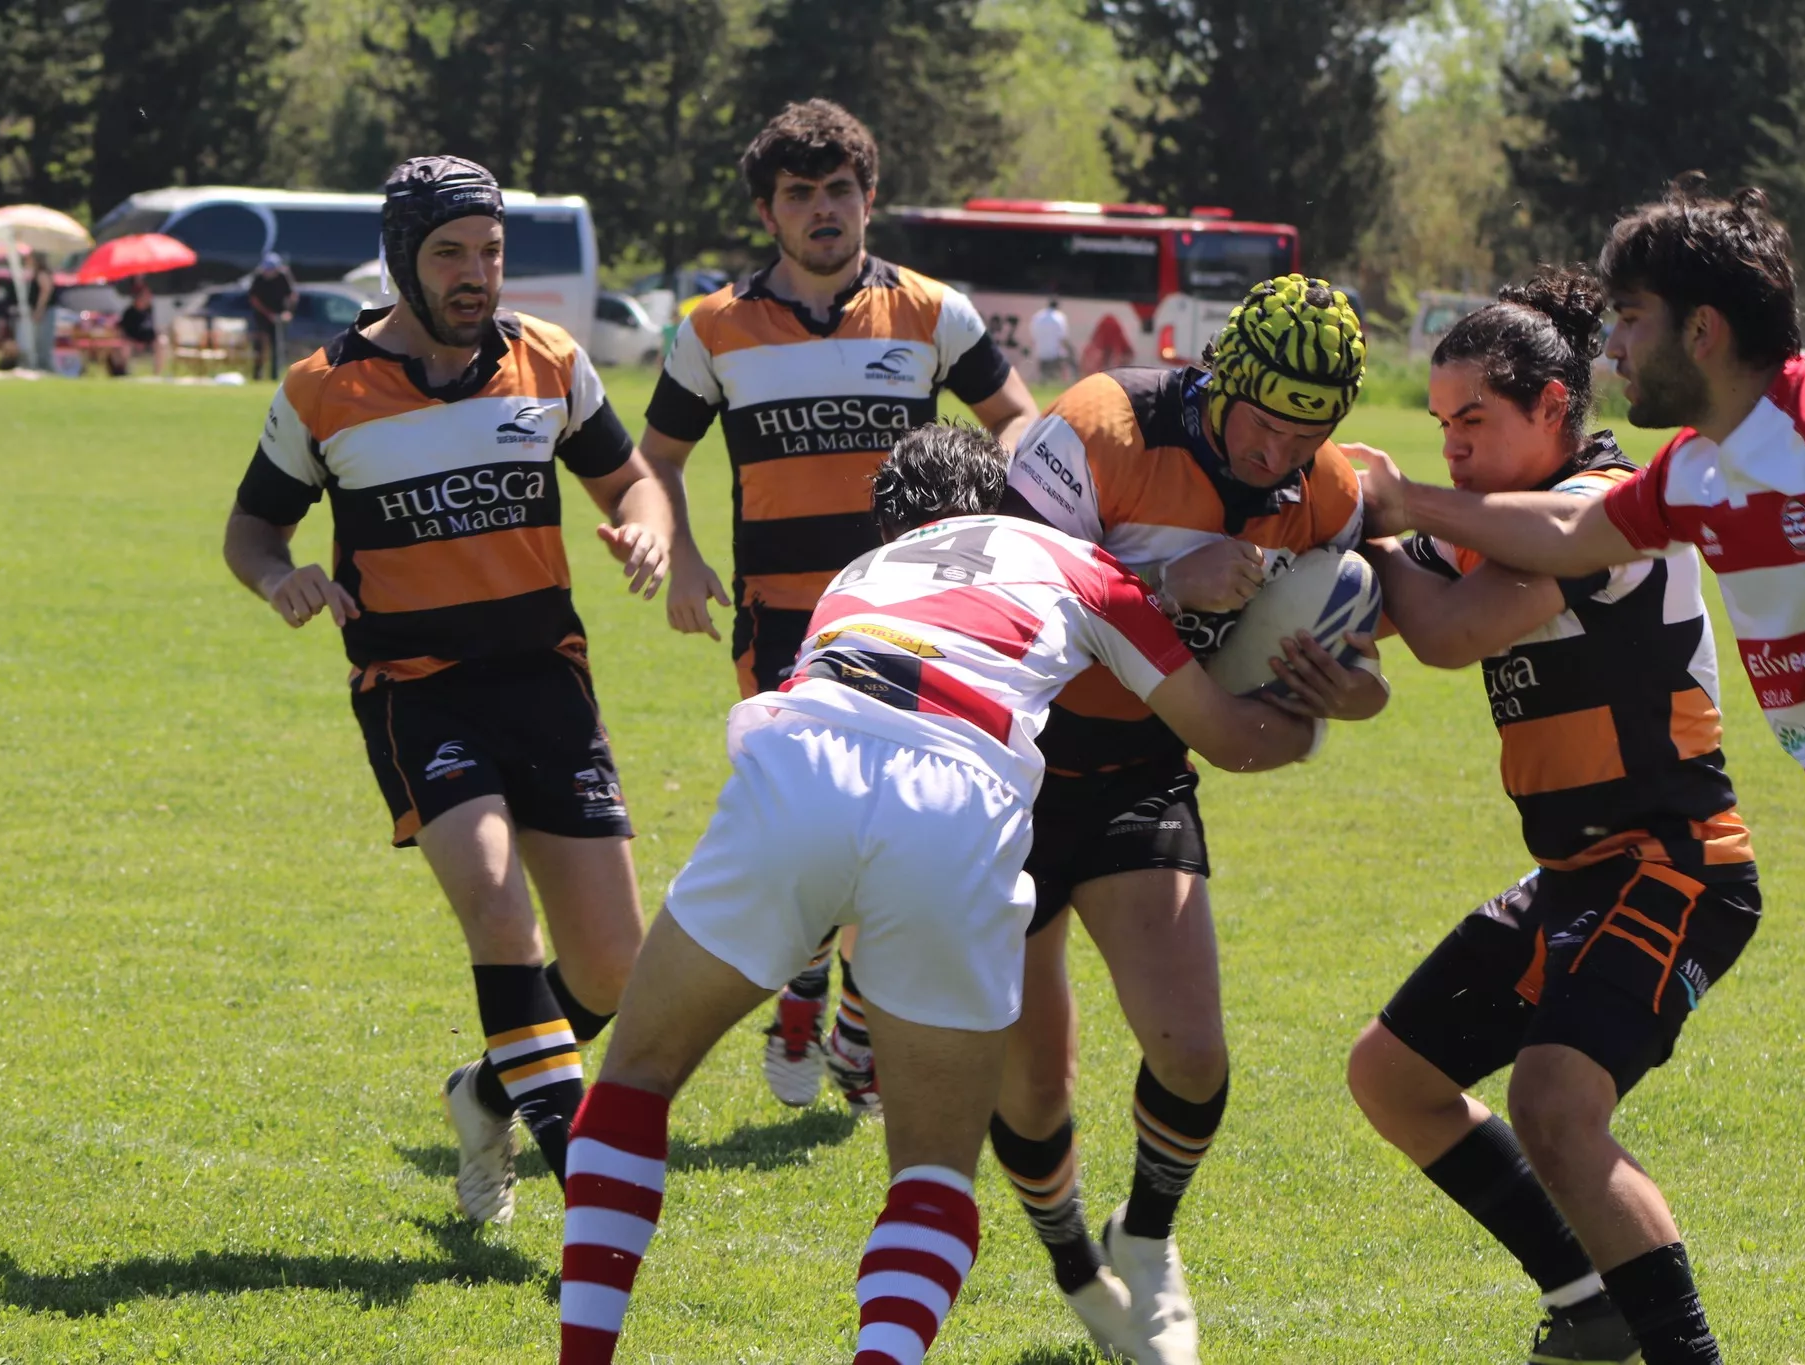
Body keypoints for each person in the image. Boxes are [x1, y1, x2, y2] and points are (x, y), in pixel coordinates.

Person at [556, 422, 1324, 1365]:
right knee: (929, 1171)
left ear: (889, 524)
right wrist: (1308, 707)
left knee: (633, 1079)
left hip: (810, 751)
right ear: (997, 499)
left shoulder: (859, 576)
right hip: (960, 792)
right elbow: (1226, 736)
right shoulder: (1081, 564)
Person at [1354, 178, 1805, 1365]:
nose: (1610, 347)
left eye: (1626, 320)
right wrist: (1400, 499)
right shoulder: (1694, 469)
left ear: (1700, 329)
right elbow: (1573, 535)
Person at [222, 155, 681, 1228]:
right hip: (415, 687)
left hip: (546, 683)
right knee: (490, 896)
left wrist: (648, 531)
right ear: (399, 260)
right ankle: (581, 1159)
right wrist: (277, 576)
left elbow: (628, 480)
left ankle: (483, 1094)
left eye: (489, 253)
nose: (476, 275)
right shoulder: (323, 387)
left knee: (612, 969)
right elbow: (251, 529)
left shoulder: (550, 362)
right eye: (450, 255)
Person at [1344, 270, 1761, 1365]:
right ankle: (1589, 1302)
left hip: (1676, 867)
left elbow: (1441, 631)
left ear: (1552, 408)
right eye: (1440, 428)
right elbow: (1375, 615)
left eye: (1472, 422)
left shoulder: (1606, 503)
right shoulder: (1483, 521)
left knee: (1554, 1104)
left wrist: (1391, 527)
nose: (1453, 451)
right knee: (1392, 1076)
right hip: (1577, 875)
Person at [991, 274, 1387, 1364]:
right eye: (1263, 424)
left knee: (1193, 1053)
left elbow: (1345, 673)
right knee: (1030, 1086)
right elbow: (1009, 603)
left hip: (1136, 768)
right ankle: (1076, 1263)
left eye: (1308, 433)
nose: (1277, 454)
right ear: (1222, 383)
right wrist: (1170, 586)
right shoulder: (1092, 430)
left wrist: (1347, 690)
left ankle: (1150, 1245)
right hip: (1008, 767)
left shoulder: (1328, 492)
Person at [641, 98, 1038, 1114]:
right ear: (767, 214)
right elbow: (660, 459)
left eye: (839, 191)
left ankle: (842, 1016)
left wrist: (984, 534)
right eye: (799, 195)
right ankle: (812, 998)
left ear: (869, 198)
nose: (823, 210)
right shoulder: (713, 329)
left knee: (899, 823)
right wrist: (680, 556)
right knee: (802, 827)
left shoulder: (930, 312)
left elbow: (1019, 425)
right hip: (783, 623)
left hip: (915, 623)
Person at [248, 252, 298, 381]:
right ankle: (257, 376)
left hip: (279, 316)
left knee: (277, 347)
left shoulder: (283, 277)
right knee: (260, 347)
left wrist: (288, 312)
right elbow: (254, 299)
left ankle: (275, 376)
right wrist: (268, 314)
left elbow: (292, 295)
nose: (267, 272)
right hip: (262, 316)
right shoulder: (259, 278)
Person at [115, 276, 162, 376]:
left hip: (148, 342)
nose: (149, 298)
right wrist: (136, 342)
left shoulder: (149, 310)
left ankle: (157, 374)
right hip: (133, 342)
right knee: (125, 347)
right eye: (146, 295)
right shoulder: (129, 312)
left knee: (162, 342)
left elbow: (152, 329)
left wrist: (153, 338)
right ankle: (123, 373)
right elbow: (125, 331)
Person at [23, 249, 57, 373]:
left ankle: (45, 367)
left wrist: (39, 310)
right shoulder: (37, 273)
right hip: (44, 311)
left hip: (45, 312)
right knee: (39, 340)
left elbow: (45, 291)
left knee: (43, 340)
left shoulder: (42, 273)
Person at [1030, 297, 1072, 383]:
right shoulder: (1059, 317)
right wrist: (1069, 351)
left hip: (1041, 352)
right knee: (1055, 379)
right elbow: (1063, 337)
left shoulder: (1038, 316)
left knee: (1044, 378)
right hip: (1055, 354)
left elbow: (1033, 334)